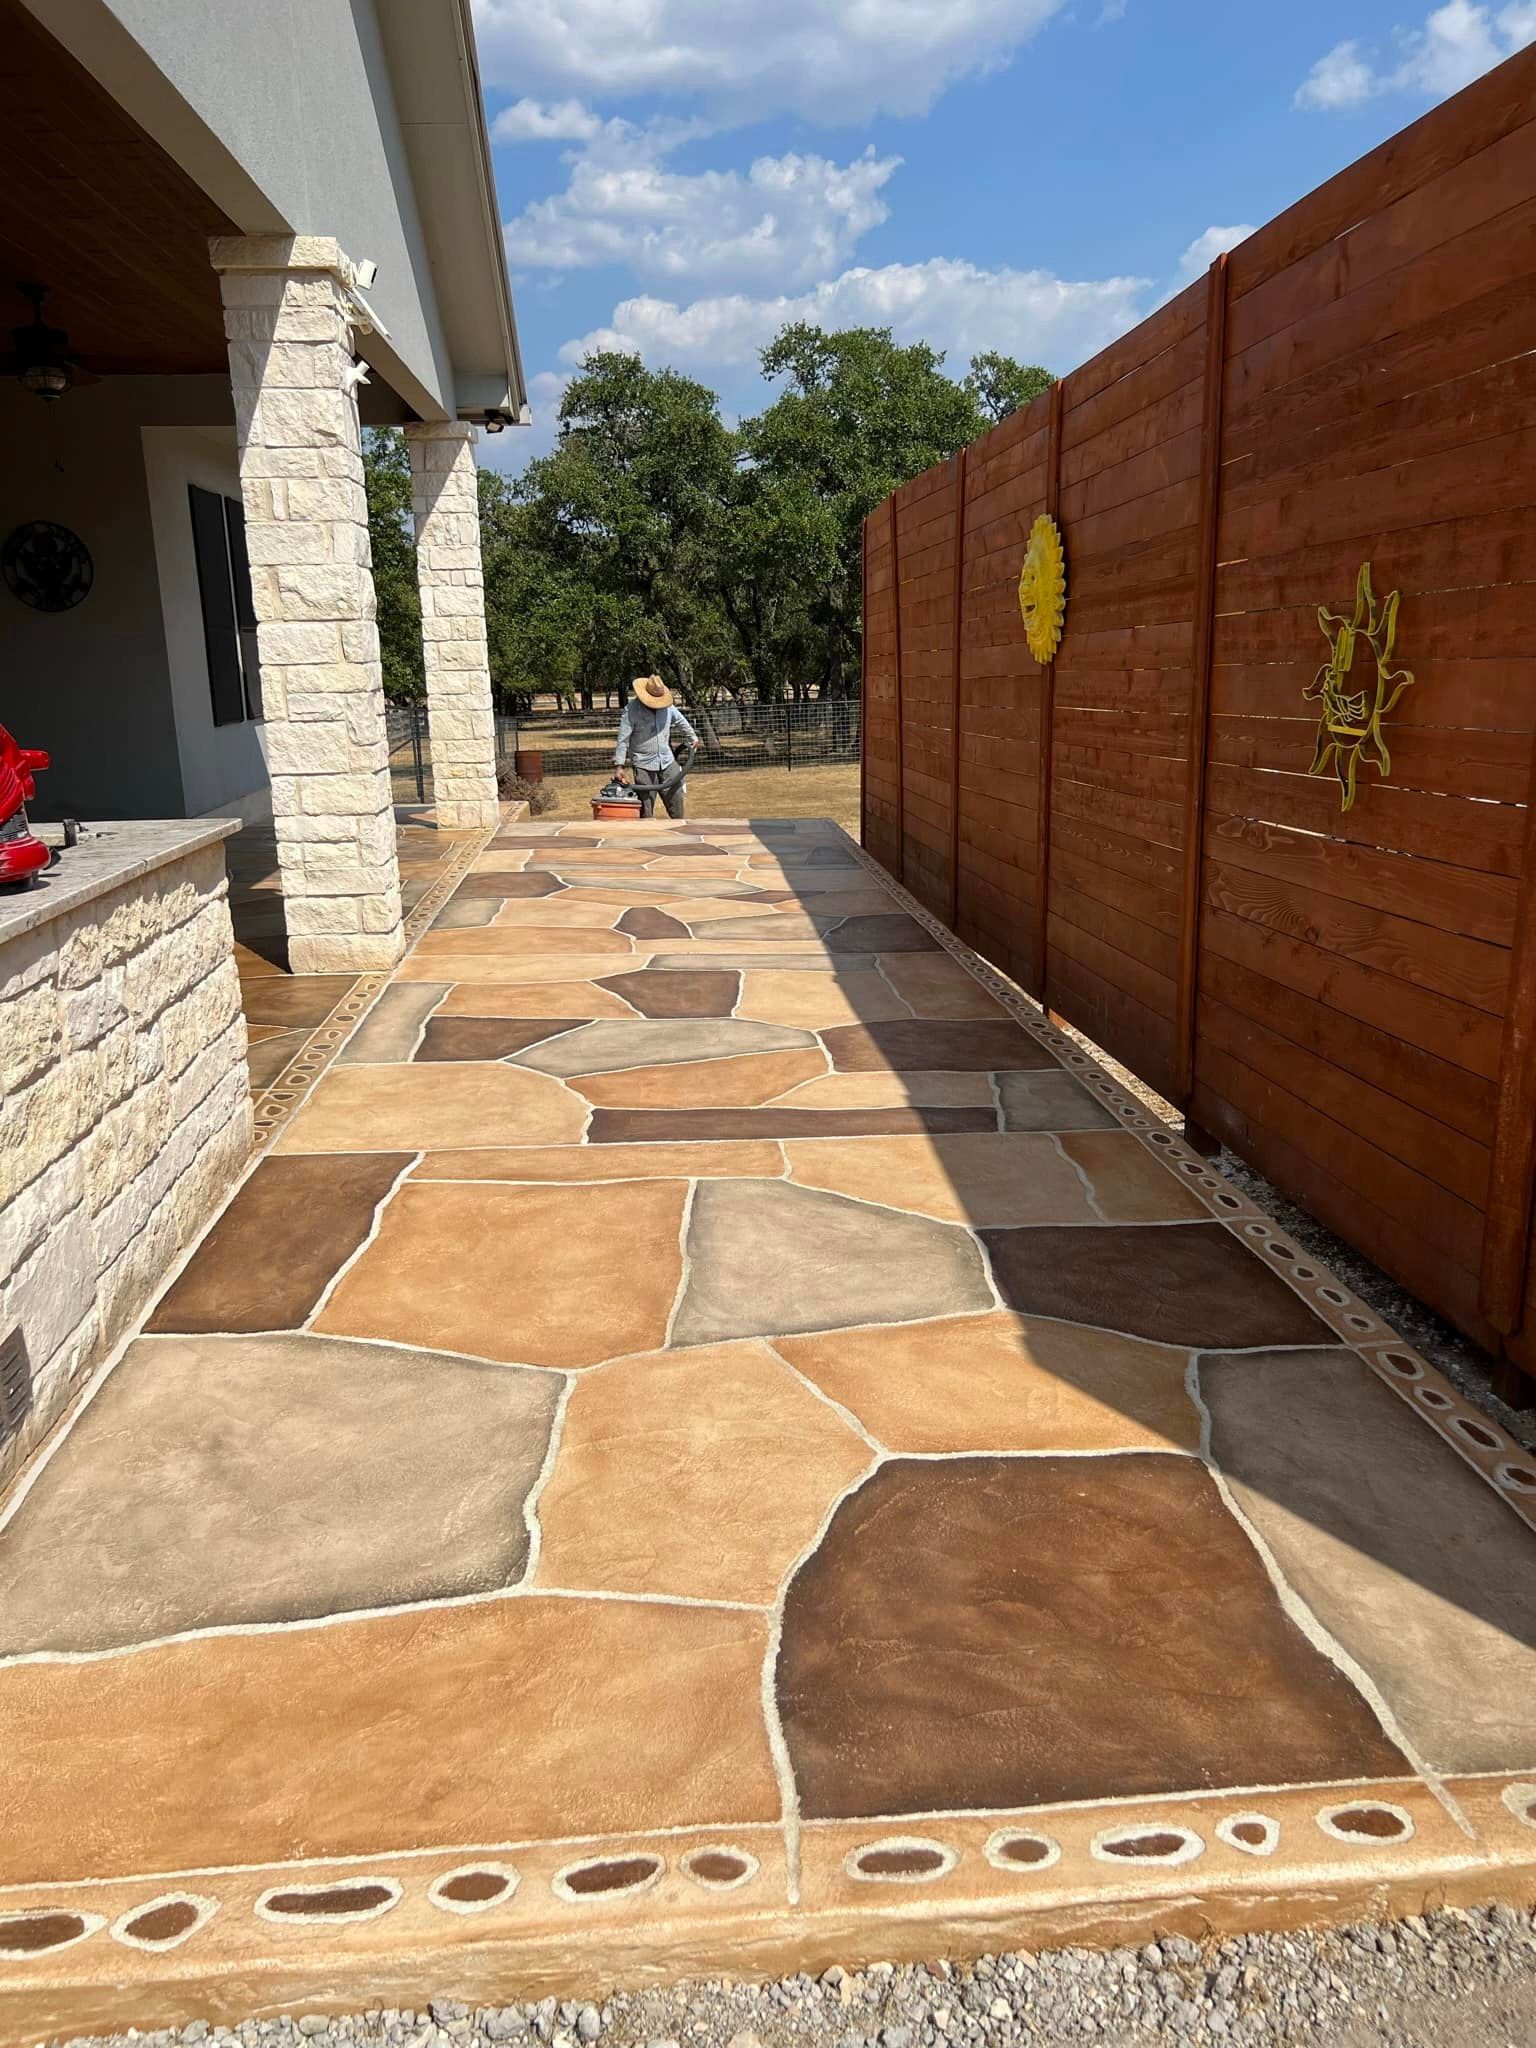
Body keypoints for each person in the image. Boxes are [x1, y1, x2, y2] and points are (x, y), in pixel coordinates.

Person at [613, 674, 699, 819]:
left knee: (676, 800)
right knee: (645, 808)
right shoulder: (631, 711)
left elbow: (681, 721)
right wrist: (619, 766)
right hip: (643, 764)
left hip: (667, 761)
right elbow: (623, 740)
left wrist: (693, 738)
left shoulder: (668, 707)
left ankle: (679, 830)